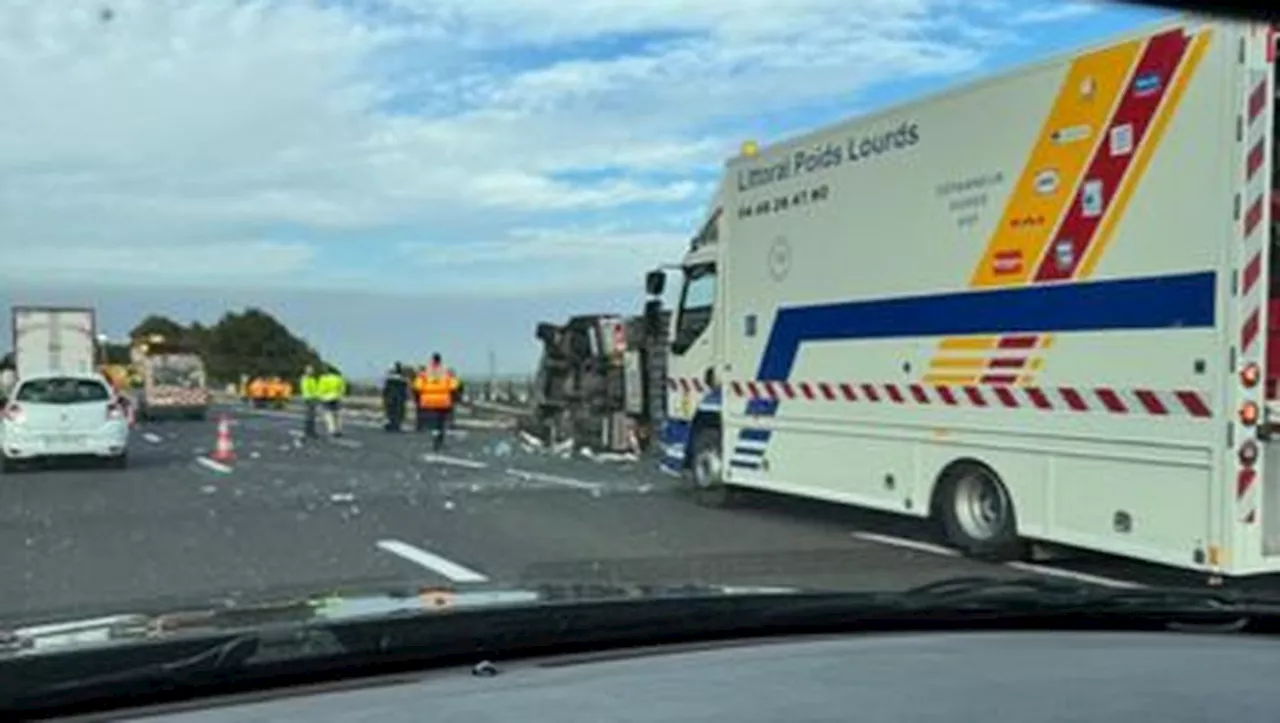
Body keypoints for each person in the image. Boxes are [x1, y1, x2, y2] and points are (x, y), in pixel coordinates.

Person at [412, 353, 459, 451]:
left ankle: (435, 437)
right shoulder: (446, 372)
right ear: (440, 360)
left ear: (432, 360)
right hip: (443, 401)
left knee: (432, 422)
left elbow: (417, 386)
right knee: (440, 422)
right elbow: (454, 386)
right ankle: (439, 440)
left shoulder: (424, 372)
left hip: (428, 401)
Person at [316, 365, 346, 437]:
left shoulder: (323, 379)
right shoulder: (338, 378)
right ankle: (339, 429)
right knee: (337, 414)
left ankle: (332, 430)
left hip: (326, 398)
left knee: (329, 415)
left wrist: (319, 398)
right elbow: (342, 388)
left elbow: (320, 389)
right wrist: (340, 395)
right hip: (336, 397)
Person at [381, 363, 409, 432]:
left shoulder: (389, 379)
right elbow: (405, 391)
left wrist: (385, 397)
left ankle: (392, 423)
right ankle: (396, 424)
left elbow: (385, 390)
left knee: (391, 411)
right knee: (399, 412)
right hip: (399, 399)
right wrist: (405, 398)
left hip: (390, 398)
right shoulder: (403, 380)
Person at [299, 365, 321, 438]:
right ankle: (308, 431)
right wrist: (312, 397)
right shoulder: (305, 379)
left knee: (312, 416)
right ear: (306, 371)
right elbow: (306, 389)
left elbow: (315, 389)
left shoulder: (312, 379)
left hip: (313, 399)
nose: (311, 371)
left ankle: (310, 431)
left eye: (312, 370)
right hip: (308, 399)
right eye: (309, 370)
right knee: (309, 416)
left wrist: (317, 397)